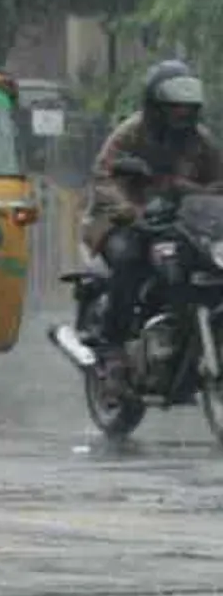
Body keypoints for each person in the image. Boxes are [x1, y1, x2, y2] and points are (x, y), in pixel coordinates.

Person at [81, 60, 223, 371]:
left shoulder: (202, 141)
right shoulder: (130, 133)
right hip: (120, 221)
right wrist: (128, 210)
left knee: (206, 267)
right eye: (174, 108)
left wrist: (199, 193)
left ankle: (180, 333)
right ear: (155, 107)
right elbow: (102, 175)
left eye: (187, 108)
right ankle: (113, 343)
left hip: (177, 224)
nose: (181, 114)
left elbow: (219, 182)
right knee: (130, 259)